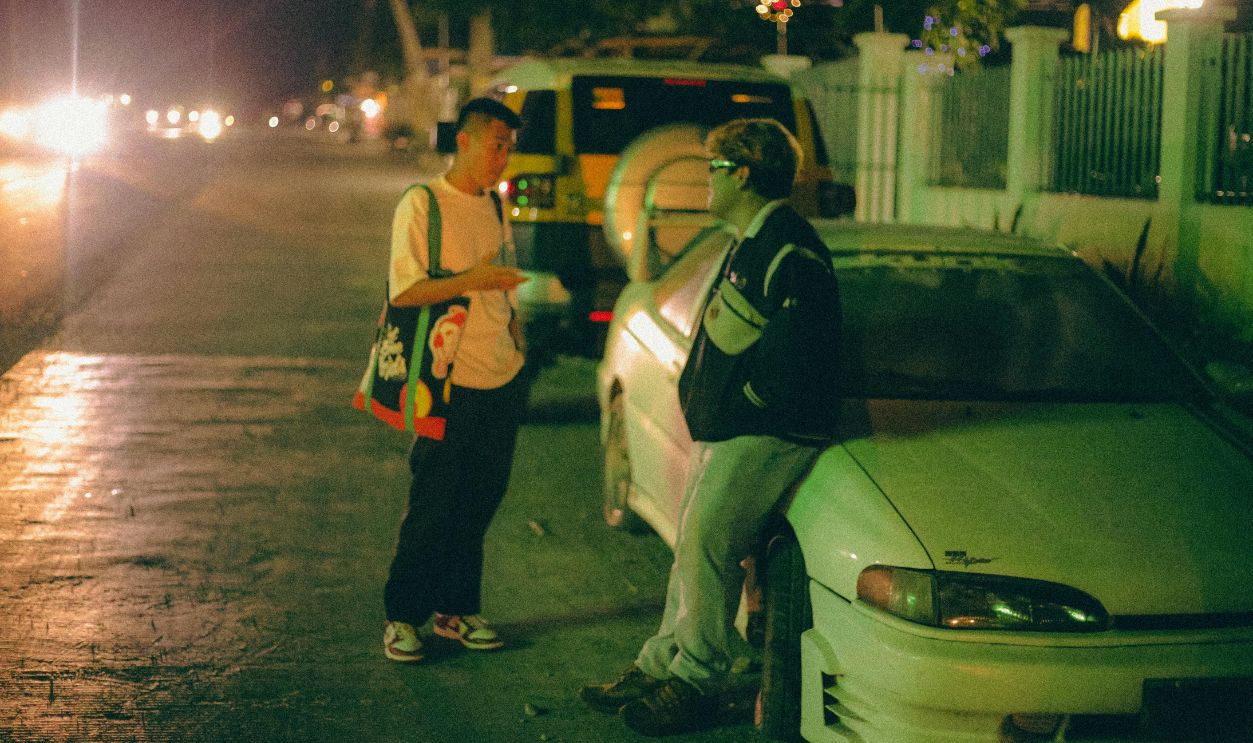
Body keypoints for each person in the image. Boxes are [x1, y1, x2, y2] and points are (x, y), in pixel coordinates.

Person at [580, 118, 843, 736]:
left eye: (714, 169)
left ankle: (697, 680)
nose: (706, 182)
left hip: (763, 431)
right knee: (693, 550)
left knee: (707, 545)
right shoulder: (749, 238)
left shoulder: (788, 247)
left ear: (744, 175)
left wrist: (744, 403)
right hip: (730, 428)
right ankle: (662, 662)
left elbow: (797, 353)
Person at [381, 98, 529, 663]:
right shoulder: (422, 205)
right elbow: (406, 291)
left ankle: (456, 611)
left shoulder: (495, 203)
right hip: (448, 382)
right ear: (464, 142)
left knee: (479, 501)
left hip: (502, 375)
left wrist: (515, 328)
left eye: (509, 148)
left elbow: (503, 281)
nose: (503, 158)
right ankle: (402, 615)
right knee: (435, 502)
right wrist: (476, 280)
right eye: (497, 145)